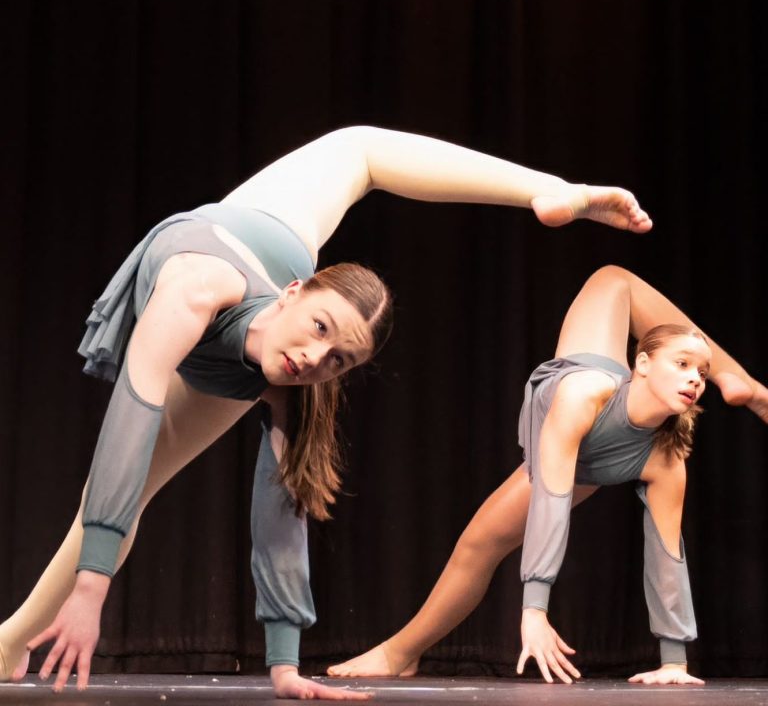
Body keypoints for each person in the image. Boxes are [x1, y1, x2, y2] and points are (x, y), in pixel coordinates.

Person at [0, 127, 652, 700]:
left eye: (339, 359)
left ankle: (8, 642)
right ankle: (550, 190)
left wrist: (284, 665)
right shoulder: (193, 290)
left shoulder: (293, 380)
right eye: (318, 330)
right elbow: (132, 416)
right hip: (252, 231)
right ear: (294, 294)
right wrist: (90, 590)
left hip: (252, 334)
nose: (313, 358)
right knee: (358, 149)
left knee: (131, 493)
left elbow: (279, 518)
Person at [329, 264, 768, 686]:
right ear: (643, 363)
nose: (695, 380)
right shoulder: (583, 393)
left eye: (703, 374)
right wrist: (534, 610)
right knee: (612, 280)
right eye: (683, 365)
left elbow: (667, 557)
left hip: (586, 457)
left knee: (480, 544)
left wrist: (674, 661)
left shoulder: (665, 459)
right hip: (577, 404)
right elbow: (551, 500)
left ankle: (398, 653)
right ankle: (741, 382)